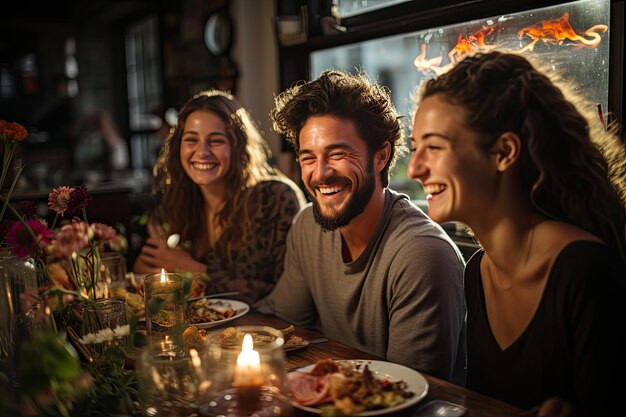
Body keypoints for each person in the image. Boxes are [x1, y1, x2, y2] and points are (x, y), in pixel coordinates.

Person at [407, 51, 626, 416]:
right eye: (415, 149)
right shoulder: (478, 271)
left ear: (504, 152)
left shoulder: (586, 272)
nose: (414, 168)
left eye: (433, 147)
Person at [255, 70, 467, 384]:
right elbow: (280, 326)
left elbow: (408, 391)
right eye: (308, 158)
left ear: (380, 157)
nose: (320, 174)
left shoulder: (422, 253)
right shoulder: (307, 227)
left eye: (337, 154)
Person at [133, 90, 306, 305]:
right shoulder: (180, 201)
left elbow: (289, 295)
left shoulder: (275, 198)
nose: (202, 152)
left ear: (238, 146)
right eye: (191, 140)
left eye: (216, 141)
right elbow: (143, 272)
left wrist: (194, 270)